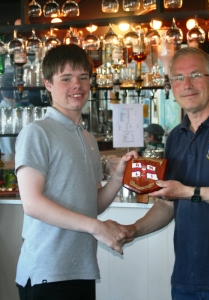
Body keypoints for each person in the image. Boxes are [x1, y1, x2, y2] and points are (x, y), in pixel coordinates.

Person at [117, 47, 209, 300]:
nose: (186, 84)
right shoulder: (176, 136)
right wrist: (133, 230)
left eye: (196, 75)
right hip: (186, 280)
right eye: (178, 77)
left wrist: (188, 192)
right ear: (171, 86)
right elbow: (168, 205)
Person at [15, 44, 137, 300]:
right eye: (66, 78)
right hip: (46, 273)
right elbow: (32, 204)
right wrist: (96, 227)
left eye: (83, 78)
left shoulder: (88, 138)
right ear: (48, 84)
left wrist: (117, 177)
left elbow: (93, 204)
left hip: (81, 269)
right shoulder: (37, 132)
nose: (77, 85)